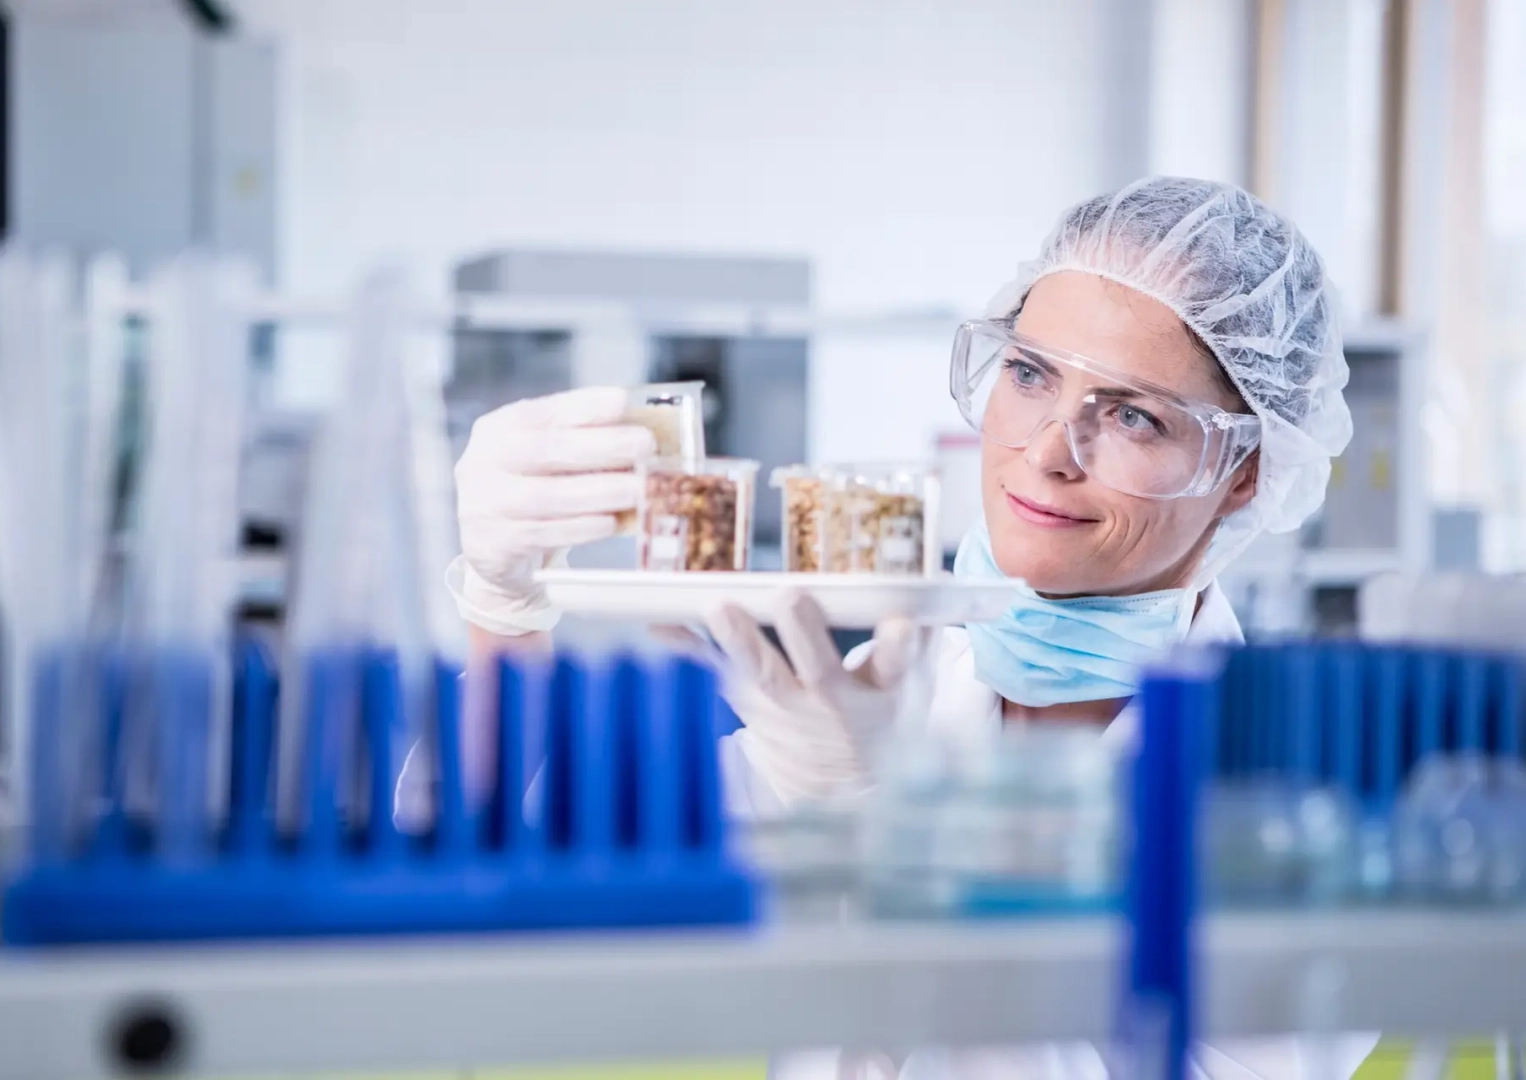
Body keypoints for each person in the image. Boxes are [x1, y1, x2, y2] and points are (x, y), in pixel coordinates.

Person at [449, 177, 1367, 1078]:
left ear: (1245, 471)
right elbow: (515, 886)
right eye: (1029, 374)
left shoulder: (1294, 813)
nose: (1047, 452)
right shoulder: (870, 701)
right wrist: (503, 610)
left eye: (1132, 415)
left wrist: (887, 844)